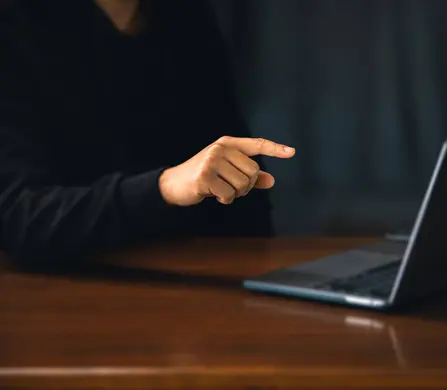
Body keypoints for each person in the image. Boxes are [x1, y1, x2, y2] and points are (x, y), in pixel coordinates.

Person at [0, 0, 295, 267]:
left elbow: (239, 190)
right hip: (64, 292)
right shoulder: (15, 26)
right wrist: (165, 188)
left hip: (194, 284)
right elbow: (20, 219)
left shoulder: (183, 16)